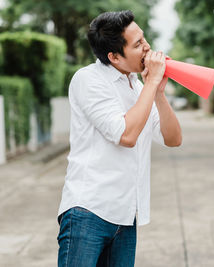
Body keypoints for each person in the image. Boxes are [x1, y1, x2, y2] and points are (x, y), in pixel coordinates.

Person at [57, 10, 182, 267]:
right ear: (114, 56)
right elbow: (126, 135)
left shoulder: (138, 87)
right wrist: (150, 85)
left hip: (126, 216)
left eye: (143, 39)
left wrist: (157, 92)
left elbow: (173, 138)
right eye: (137, 45)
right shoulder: (88, 80)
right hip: (88, 211)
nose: (147, 47)